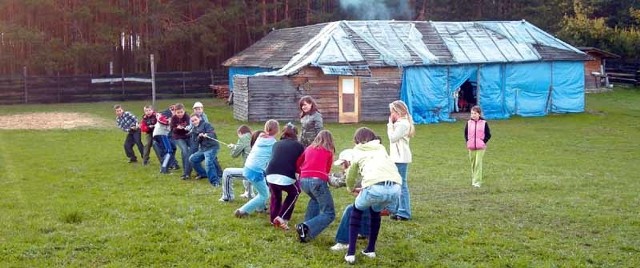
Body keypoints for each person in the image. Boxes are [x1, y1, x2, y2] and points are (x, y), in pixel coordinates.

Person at [343, 127, 402, 264]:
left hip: (374, 187)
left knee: (356, 210)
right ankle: (370, 250)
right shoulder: (381, 148)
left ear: (356, 140)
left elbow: (351, 173)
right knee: (375, 211)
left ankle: (350, 253)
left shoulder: (357, 151)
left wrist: (350, 188)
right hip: (395, 187)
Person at [294, 130, 335, 243]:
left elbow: (298, 163)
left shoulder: (308, 148)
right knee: (329, 213)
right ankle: (306, 226)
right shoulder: (328, 152)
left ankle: (305, 233)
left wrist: (303, 172)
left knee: (315, 200)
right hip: (317, 181)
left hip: (303, 181)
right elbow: (326, 171)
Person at [234, 120, 279, 218]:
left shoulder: (259, 138)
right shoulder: (274, 144)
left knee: (262, 190)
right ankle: (242, 211)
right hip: (256, 171)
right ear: (277, 131)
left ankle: (260, 208)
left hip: (247, 167)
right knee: (265, 195)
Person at [265, 123, 305, 230]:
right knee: (295, 192)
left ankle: (273, 219)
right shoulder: (299, 146)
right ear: (296, 134)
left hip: (270, 174)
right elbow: (300, 163)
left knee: (275, 196)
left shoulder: (276, 144)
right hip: (286, 175)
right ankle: (282, 217)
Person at [330, 149, 370, 251]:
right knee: (361, 205)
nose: (341, 167)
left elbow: (338, 182)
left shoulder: (354, 173)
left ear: (349, 162)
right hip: (377, 199)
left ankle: (343, 241)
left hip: (377, 201)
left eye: (343, 164)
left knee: (350, 210)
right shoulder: (361, 168)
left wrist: (326, 177)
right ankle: (365, 232)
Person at [387, 100, 416, 221]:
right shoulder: (400, 123)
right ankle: (395, 209)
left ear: (397, 112)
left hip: (400, 158)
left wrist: (389, 125)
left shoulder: (403, 124)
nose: (390, 114)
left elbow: (392, 138)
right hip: (397, 157)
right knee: (395, 184)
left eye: (391, 111)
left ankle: (404, 212)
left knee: (401, 185)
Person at [219, 125, 255, 202]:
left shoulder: (243, 138)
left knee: (227, 172)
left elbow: (234, 154)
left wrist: (233, 148)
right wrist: (235, 146)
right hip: (262, 167)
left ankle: (227, 197)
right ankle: (249, 193)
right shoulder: (253, 136)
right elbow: (245, 147)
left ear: (240, 133)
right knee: (245, 170)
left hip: (251, 168)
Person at [188, 114, 221, 186]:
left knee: (208, 163)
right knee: (192, 159)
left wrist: (207, 134)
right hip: (203, 149)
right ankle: (203, 174)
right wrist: (199, 137)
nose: (194, 122)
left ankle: (215, 181)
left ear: (199, 118)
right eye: (192, 121)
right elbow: (195, 141)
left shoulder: (206, 125)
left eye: (195, 120)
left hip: (212, 147)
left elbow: (212, 133)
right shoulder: (193, 129)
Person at [464, 105, 491, 187]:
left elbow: (488, 134)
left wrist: (483, 142)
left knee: (478, 163)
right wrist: (468, 141)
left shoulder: (484, 123)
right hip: (471, 147)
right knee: (473, 163)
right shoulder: (468, 123)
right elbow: (466, 133)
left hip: (480, 147)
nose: (473, 115)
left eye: (475, 113)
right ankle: (474, 179)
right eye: (472, 113)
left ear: (479, 114)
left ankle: (477, 182)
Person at [171, 103, 193, 180]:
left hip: (188, 136)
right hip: (178, 137)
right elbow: (172, 129)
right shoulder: (173, 118)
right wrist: (177, 128)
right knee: (185, 151)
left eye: (181, 112)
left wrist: (184, 128)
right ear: (175, 112)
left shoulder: (187, 117)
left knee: (193, 150)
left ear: (184, 111)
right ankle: (186, 172)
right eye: (178, 112)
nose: (180, 114)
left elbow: (190, 126)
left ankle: (194, 169)